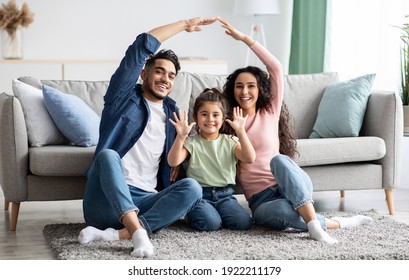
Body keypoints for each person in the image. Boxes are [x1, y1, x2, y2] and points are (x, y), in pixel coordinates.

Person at [219, 18, 373, 243]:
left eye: (250, 85)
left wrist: (245, 39)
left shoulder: (270, 111)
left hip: (288, 183)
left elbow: (276, 68)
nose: (244, 91)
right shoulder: (228, 121)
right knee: (282, 211)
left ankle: (313, 226)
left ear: (259, 89)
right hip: (263, 202)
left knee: (279, 161)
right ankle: (336, 223)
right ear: (232, 91)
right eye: (239, 86)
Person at [77, 17, 220, 258]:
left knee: (197, 197)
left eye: (171, 76)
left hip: (147, 197)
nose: (165, 79)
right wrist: (185, 24)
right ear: (144, 73)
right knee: (108, 156)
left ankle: (119, 234)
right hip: (105, 199)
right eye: (160, 71)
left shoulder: (174, 114)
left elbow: (181, 158)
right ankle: (139, 234)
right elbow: (141, 46)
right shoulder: (121, 98)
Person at [167, 88, 255, 231]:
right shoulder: (192, 142)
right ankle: (192, 213)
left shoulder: (231, 141)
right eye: (204, 114)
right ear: (195, 117)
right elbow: (173, 161)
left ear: (223, 118)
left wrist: (241, 131)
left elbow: (250, 158)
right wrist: (181, 136)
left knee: (243, 223)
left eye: (215, 115)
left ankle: (216, 215)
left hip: (225, 195)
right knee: (210, 224)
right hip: (200, 196)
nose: (210, 119)